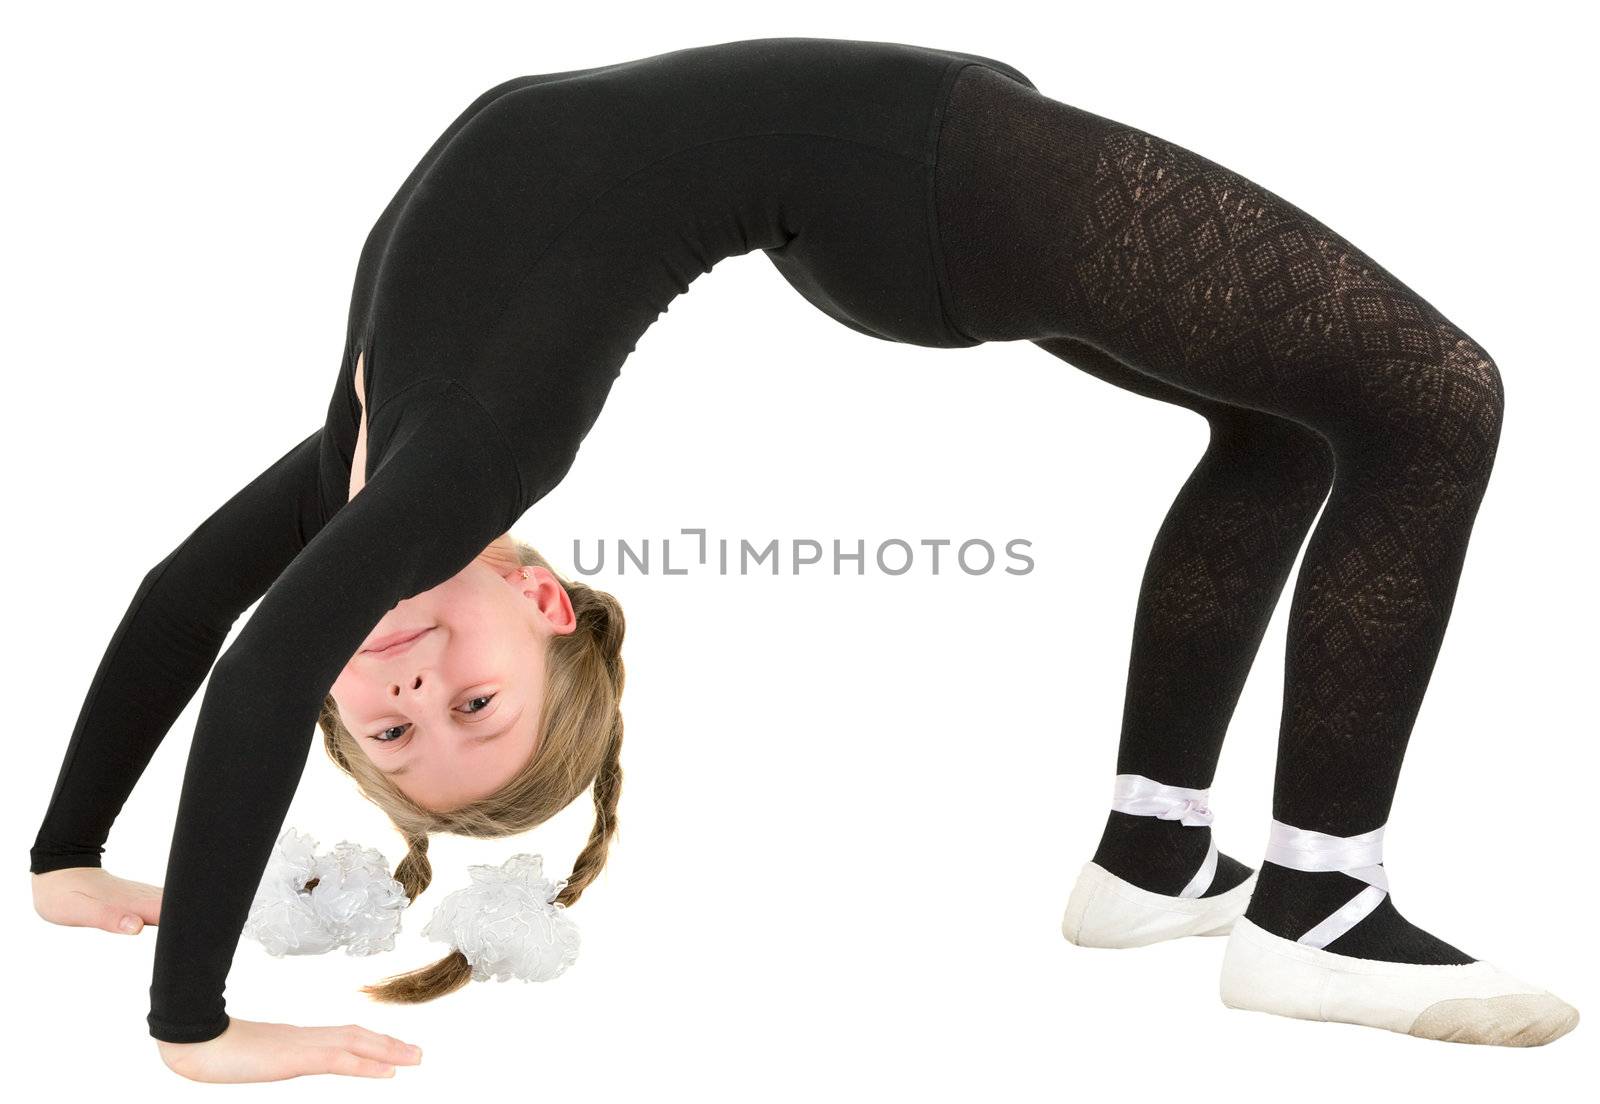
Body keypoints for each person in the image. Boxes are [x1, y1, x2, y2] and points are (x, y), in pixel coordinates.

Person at [27, 36, 1575, 1082]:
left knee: (1287, 425)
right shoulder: (466, 470)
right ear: (535, 603)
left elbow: (183, 611)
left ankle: (1153, 857)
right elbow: (253, 664)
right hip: (932, 174)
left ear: (540, 594)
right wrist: (196, 1029)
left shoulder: (351, 487)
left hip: (903, 187)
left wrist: (68, 857)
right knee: (1437, 400)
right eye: (463, 717)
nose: (417, 687)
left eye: (402, 727)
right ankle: (1316, 904)